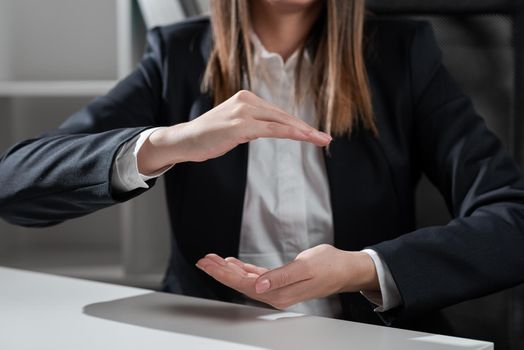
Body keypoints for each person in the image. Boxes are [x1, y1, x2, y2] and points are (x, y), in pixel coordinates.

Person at [1, 0, 524, 333]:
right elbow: (14, 185)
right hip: (206, 332)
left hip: (366, 334)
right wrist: (169, 142)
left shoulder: (401, 53)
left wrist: (362, 269)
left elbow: (512, 220)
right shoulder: (177, 54)